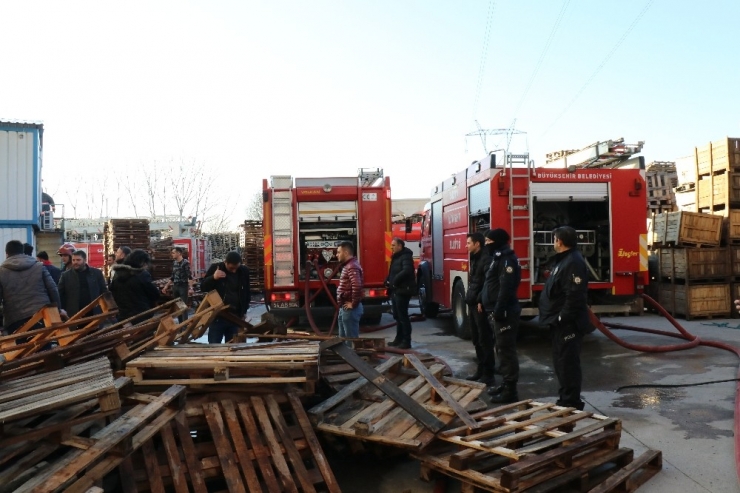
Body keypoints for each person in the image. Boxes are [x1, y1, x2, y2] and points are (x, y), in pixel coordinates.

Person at [538, 226, 589, 411]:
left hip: (568, 324)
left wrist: (561, 319)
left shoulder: (573, 262)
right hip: (559, 323)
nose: (553, 242)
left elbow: (575, 296)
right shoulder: (564, 260)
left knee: (568, 363)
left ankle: (571, 402)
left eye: (554, 239)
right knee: (561, 362)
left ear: (559, 241)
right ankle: (565, 398)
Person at [482, 228, 522, 403]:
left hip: (504, 313)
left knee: (506, 352)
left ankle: (510, 390)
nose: (487, 245)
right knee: (501, 349)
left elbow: (506, 287)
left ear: (497, 242)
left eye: (489, 242)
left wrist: (499, 309)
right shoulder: (498, 258)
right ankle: (505, 385)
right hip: (496, 310)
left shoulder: (506, 260)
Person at [0, 240, 61, 334]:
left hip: (15, 320)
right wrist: (58, 310)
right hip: (42, 315)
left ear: (7, 254)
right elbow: (53, 289)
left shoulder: (1, 271)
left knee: (22, 348)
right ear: (22, 251)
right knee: (44, 346)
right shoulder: (39, 266)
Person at [464, 232, 495, 385]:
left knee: (484, 339)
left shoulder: (486, 259)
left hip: (479, 305)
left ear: (477, 244)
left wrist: (480, 300)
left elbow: (488, 282)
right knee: (476, 338)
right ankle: (481, 370)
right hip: (473, 302)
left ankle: (489, 374)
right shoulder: (475, 258)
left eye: (469, 243)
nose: (466, 245)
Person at [201, 251, 251, 343]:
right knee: (214, 345)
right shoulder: (216, 268)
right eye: (231, 268)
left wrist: (244, 311)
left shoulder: (243, 271)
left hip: (235, 316)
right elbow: (203, 287)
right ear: (225, 262)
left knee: (233, 347)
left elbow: (247, 292)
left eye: (236, 268)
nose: (234, 271)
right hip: (218, 316)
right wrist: (213, 277)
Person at [109, 249, 160, 321]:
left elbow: (112, 291)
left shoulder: (117, 273)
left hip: (123, 316)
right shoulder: (142, 275)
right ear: (142, 262)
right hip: (141, 315)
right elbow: (155, 294)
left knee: (126, 332)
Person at [57, 250, 108, 318]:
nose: (75, 262)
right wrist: (60, 309)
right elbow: (60, 294)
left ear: (85, 260)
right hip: (74, 315)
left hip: (94, 313)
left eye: (78, 260)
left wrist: (108, 307)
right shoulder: (65, 276)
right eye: (73, 260)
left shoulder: (96, 273)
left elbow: (104, 292)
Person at [385, 237, 416, 349]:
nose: (391, 247)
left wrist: (394, 280)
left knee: (403, 316)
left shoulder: (406, 256)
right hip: (396, 290)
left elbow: (407, 271)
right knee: (397, 316)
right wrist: (387, 279)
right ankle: (398, 339)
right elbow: (394, 271)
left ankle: (406, 341)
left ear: (400, 246)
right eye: (391, 245)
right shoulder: (396, 257)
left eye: (393, 245)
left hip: (403, 290)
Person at [335, 241, 364, 342]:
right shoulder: (349, 265)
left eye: (339, 252)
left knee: (350, 341)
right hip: (345, 308)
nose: (336, 255)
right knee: (343, 340)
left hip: (350, 309)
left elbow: (357, 285)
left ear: (346, 253)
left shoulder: (352, 266)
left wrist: (353, 304)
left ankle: (352, 357)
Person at [162, 247, 191, 322]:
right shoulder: (174, 263)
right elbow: (173, 276)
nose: (172, 254)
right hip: (176, 287)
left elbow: (189, 276)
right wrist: (166, 286)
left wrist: (190, 288)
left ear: (179, 253)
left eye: (173, 253)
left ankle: (184, 325)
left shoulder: (185, 263)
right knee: (178, 306)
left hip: (183, 287)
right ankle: (180, 325)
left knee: (183, 307)